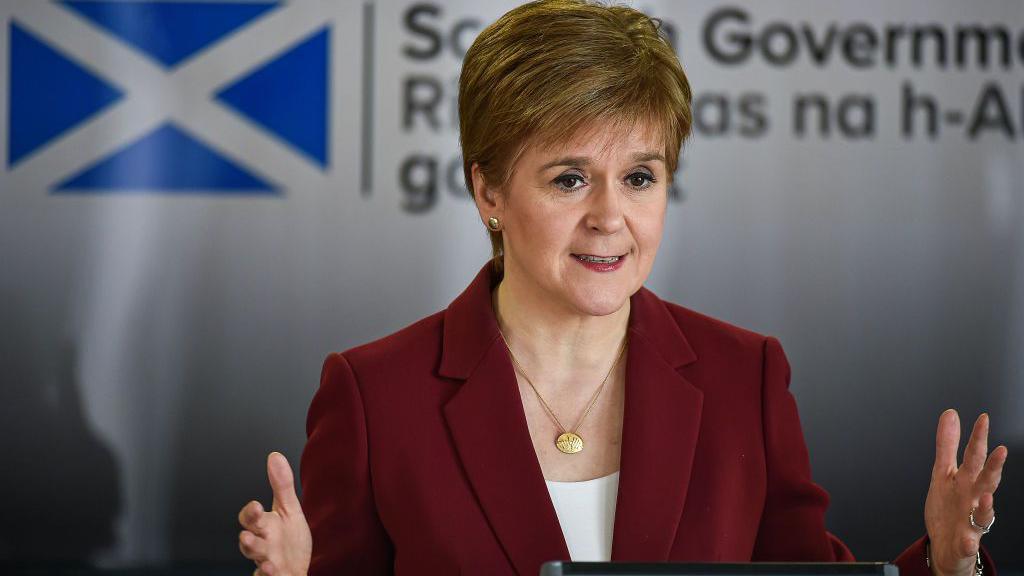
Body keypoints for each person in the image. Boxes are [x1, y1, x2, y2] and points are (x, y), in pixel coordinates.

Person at [236, 1, 1008, 575]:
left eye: (639, 176)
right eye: (570, 178)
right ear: (489, 194)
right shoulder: (375, 396)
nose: (611, 217)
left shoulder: (747, 376)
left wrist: (945, 564)